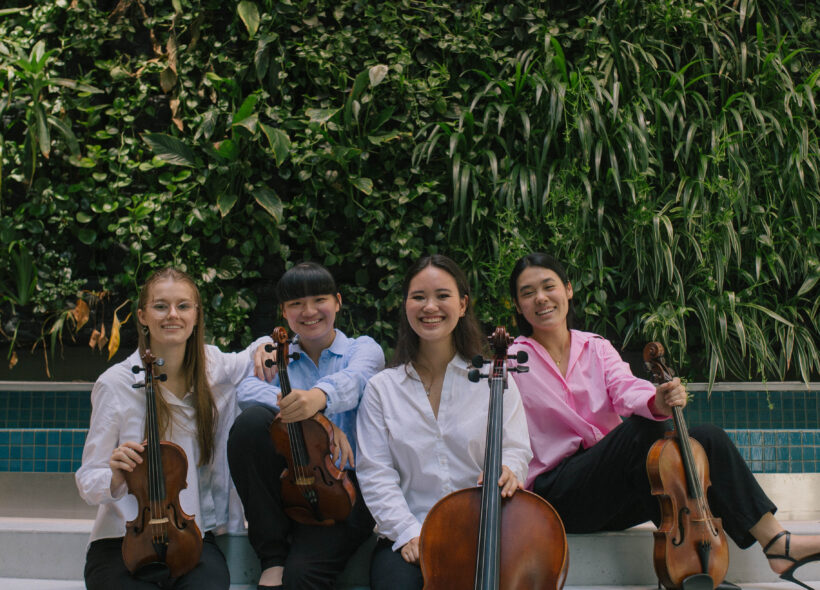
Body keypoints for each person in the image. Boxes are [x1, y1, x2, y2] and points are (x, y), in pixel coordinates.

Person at [507, 251, 820, 589]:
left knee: (706, 438)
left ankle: (776, 543)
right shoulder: (511, 360)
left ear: (568, 289)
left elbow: (626, 388)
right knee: (644, 429)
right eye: (527, 292)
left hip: (610, 491)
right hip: (559, 496)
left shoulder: (596, 347)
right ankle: (686, 566)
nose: (540, 298)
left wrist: (656, 399)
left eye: (548, 286)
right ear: (519, 306)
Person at [76, 267, 269, 590]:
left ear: (196, 315)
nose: (172, 315)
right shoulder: (116, 384)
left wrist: (265, 345)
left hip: (190, 537)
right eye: (160, 306)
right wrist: (115, 475)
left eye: (183, 306)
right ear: (142, 316)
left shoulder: (213, 366)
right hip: (123, 539)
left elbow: (256, 352)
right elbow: (87, 480)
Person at [355, 254, 533, 590]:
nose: (430, 307)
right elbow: (374, 472)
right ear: (406, 305)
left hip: (486, 531)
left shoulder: (493, 378)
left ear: (463, 304)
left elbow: (516, 448)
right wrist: (410, 534)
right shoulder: (382, 389)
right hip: (409, 534)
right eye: (418, 297)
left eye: (443, 296)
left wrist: (509, 468)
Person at [227, 262, 384, 590]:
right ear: (284, 312)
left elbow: (356, 380)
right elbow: (246, 390)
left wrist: (317, 399)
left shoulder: (363, 349)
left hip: (347, 490)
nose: (309, 311)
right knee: (250, 423)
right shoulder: (272, 352)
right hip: (292, 484)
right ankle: (272, 556)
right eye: (296, 303)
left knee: (302, 576)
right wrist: (319, 421)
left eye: (319, 300)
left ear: (338, 302)